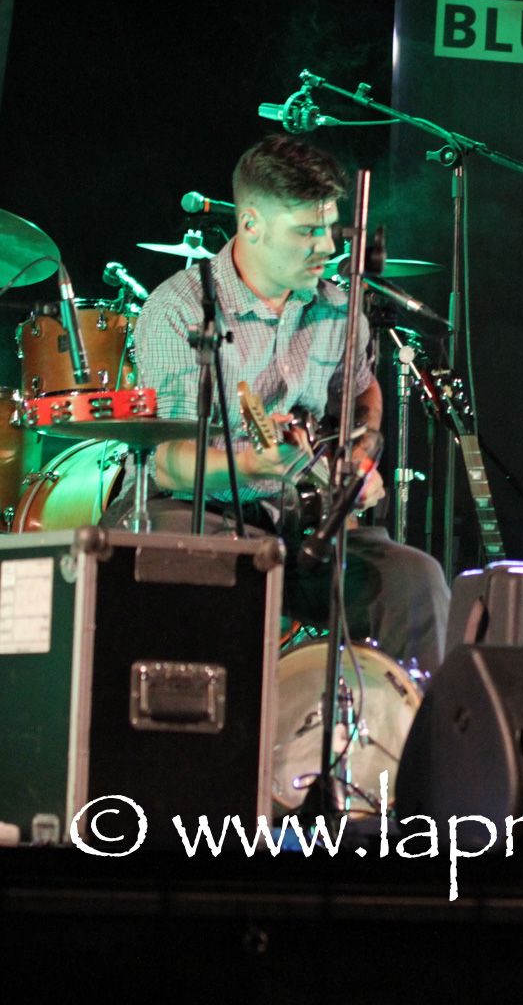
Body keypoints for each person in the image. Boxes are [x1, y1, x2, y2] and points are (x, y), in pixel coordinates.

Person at [121, 135, 449, 671]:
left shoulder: (339, 308)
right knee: (202, 573)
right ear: (251, 224)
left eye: (330, 228)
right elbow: (167, 464)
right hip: (192, 513)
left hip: (299, 522)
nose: (326, 247)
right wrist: (254, 464)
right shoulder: (178, 308)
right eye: (306, 231)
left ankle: (410, 725)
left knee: (415, 580)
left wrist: (360, 454)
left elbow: (362, 388)